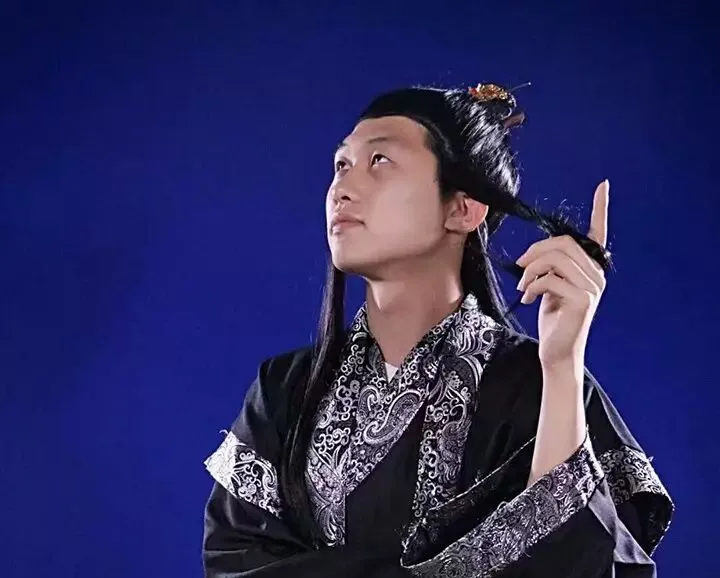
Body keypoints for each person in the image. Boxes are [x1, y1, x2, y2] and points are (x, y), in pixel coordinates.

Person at [201, 82, 674, 577]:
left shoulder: (544, 387)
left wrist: (561, 364)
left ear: (463, 208)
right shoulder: (283, 391)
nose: (342, 188)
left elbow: (584, 565)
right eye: (341, 164)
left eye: (379, 161)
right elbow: (235, 561)